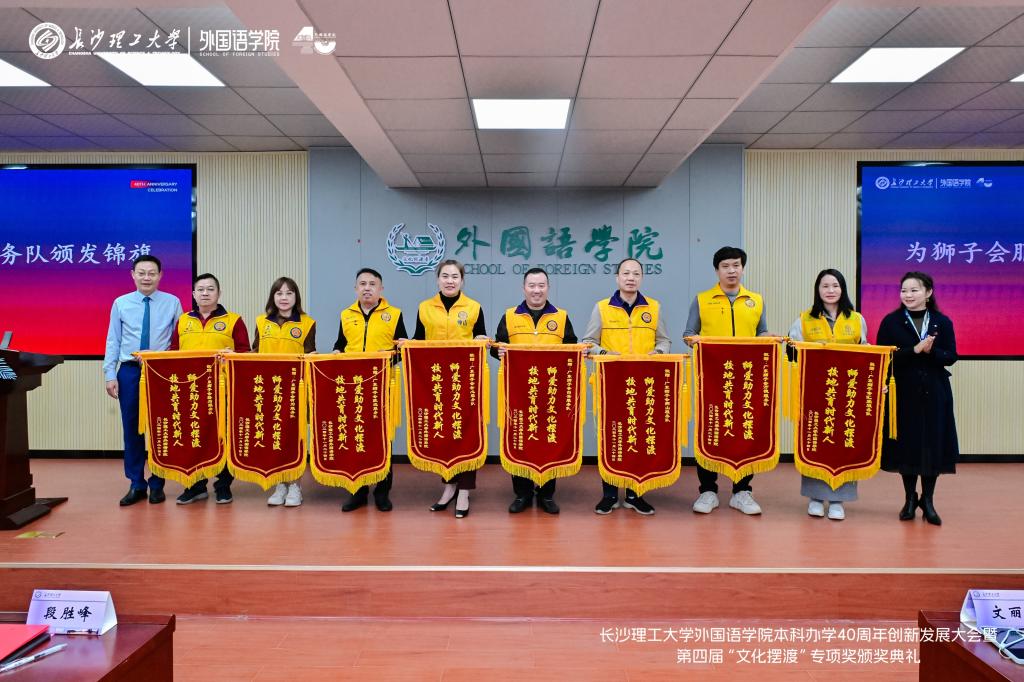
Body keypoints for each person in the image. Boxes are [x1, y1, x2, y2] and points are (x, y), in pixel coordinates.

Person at [683, 246, 769, 516]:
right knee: (709, 429)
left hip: (746, 379)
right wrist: (695, 341)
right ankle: (707, 490)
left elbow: (761, 332)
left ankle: (742, 491)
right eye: (726, 266)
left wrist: (768, 338)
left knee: (746, 429)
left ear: (743, 268)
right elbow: (688, 333)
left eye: (736, 265)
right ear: (717, 270)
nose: (732, 271)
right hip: (711, 378)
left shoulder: (756, 300)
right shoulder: (702, 300)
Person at [581, 257, 670, 515]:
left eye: (636, 274)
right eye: (626, 273)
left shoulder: (653, 307)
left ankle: (634, 494)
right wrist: (605, 353)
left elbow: (664, 340)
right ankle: (609, 495)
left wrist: (659, 352)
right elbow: (588, 342)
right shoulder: (602, 308)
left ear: (642, 278)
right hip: (610, 383)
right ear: (617, 277)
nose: (631, 278)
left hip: (644, 385)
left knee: (639, 436)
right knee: (610, 437)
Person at [492, 267, 578, 515]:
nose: (536, 290)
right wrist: (499, 351)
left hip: (551, 392)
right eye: (532, 285)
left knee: (550, 439)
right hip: (519, 392)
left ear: (548, 288)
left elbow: (571, 347)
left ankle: (547, 494)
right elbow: (497, 347)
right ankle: (522, 494)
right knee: (520, 438)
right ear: (524, 288)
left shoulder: (561, 317)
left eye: (541, 285)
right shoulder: (510, 316)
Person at [876, 271, 958, 526]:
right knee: (908, 445)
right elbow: (884, 356)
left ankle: (928, 501)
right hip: (903, 392)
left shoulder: (942, 322)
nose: (908, 295)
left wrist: (931, 352)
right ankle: (909, 499)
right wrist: (914, 350)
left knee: (932, 444)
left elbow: (951, 356)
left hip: (935, 392)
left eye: (914, 290)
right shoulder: (891, 322)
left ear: (928, 292)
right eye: (904, 290)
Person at [787, 269, 867, 521]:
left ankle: (837, 500)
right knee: (816, 442)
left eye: (835, 285)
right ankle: (814, 497)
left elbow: (866, 353)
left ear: (842, 289)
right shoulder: (804, 319)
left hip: (846, 394)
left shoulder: (856, 319)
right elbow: (791, 353)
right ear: (817, 290)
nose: (830, 290)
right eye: (825, 286)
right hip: (815, 392)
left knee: (843, 443)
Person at [104, 255, 183, 506]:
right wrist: (110, 374)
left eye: (151, 273)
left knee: (161, 428)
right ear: (133, 274)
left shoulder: (172, 302)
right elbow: (113, 340)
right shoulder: (121, 303)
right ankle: (136, 483)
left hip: (161, 371)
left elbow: (179, 341)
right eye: (141, 273)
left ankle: (158, 483)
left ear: (160, 275)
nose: (146, 277)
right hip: (129, 371)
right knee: (132, 429)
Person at [412, 259, 487, 519]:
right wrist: (408, 344)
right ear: (437, 279)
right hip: (435, 382)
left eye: (455, 276)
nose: (450, 281)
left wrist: (482, 340)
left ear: (462, 281)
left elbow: (481, 338)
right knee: (444, 432)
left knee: (466, 433)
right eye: (445, 276)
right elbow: (419, 342)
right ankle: (449, 486)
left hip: (464, 381)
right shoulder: (424, 308)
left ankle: (464, 491)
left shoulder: (474, 307)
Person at [170, 273, 250, 505]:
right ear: (194, 294)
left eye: (210, 289)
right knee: (194, 437)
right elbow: (172, 351)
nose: (205, 293)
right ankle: (195, 486)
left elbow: (246, 352)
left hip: (223, 390)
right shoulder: (183, 321)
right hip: (190, 390)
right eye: (201, 289)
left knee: (223, 437)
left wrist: (233, 355)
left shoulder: (234, 320)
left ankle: (223, 486)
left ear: (219, 293)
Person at [334, 267, 408, 513]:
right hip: (353, 386)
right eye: (362, 284)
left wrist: (385, 360)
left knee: (382, 438)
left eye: (372, 284)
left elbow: (401, 351)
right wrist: (336, 353)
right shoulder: (346, 315)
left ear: (381, 289)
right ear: (356, 288)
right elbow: (340, 344)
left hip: (382, 385)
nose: (367, 288)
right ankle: (357, 490)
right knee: (356, 437)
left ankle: (382, 492)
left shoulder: (394, 315)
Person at [254, 276, 317, 507]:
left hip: (295, 390)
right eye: (279, 293)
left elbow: (310, 354)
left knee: (294, 438)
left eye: (289, 293)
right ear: (273, 297)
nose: (284, 297)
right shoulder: (261, 322)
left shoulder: (307, 323)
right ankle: (279, 484)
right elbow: (254, 353)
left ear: (296, 297)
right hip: (269, 390)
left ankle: (295, 486)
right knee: (275, 437)